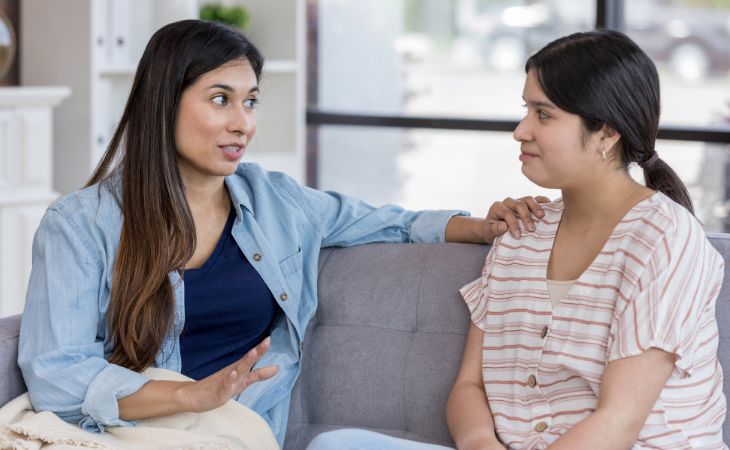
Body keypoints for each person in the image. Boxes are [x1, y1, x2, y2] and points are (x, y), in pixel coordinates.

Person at [17, 19, 547, 447]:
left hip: (231, 432)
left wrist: (483, 225)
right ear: (164, 103)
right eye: (220, 99)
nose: (243, 123)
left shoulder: (276, 201)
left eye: (250, 101)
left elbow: (392, 222)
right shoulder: (81, 223)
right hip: (117, 431)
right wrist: (189, 397)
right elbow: (54, 372)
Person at [307, 30, 726, 450]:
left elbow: (617, 423)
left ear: (605, 133)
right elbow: (469, 387)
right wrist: (480, 443)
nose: (520, 131)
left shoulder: (666, 240)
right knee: (335, 444)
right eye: (526, 110)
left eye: (543, 115)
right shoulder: (522, 231)